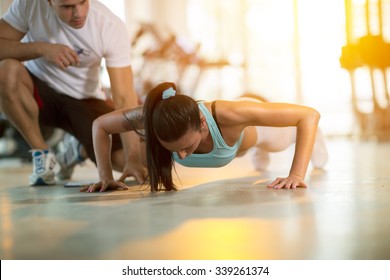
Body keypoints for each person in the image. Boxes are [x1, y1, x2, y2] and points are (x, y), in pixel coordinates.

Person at [0, 0, 147, 186]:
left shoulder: (109, 24)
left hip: (85, 101)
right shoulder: (30, 5)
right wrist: (41, 48)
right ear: (49, 2)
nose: (78, 13)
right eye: (67, 7)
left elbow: (124, 96)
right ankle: (43, 155)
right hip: (39, 94)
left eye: (82, 2)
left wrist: (132, 156)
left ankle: (76, 150)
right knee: (5, 70)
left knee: (140, 161)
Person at [83, 82, 328, 193]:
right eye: (174, 150)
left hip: (261, 132)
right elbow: (100, 125)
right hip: (237, 144)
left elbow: (308, 115)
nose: (180, 156)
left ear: (202, 124)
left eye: (186, 147)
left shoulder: (230, 113)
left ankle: (316, 139)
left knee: (281, 142)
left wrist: (296, 174)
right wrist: (105, 177)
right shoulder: (154, 116)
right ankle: (256, 152)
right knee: (247, 151)